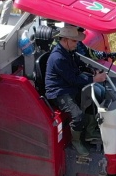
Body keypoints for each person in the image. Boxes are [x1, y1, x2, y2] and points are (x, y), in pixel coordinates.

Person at [44, 24, 107, 155]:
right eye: (74, 41)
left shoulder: (68, 52)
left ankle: (90, 132)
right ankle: (76, 142)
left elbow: (79, 64)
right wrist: (95, 79)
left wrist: (91, 69)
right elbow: (74, 79)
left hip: (69, 87)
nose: (77, 44)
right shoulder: (58, 58)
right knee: (78, 116)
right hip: (59, 92)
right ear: (65, 40)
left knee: (93, 95)